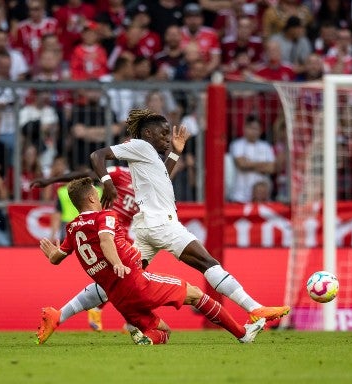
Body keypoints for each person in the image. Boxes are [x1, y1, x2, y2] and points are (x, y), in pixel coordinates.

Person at [90, 108, 290, 323]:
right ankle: (254, 308)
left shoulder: (148, 155)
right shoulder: (140, 146)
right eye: (163, 134)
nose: (167, 139)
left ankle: (61, 314)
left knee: (121, 277)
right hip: (161, 225)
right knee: (208, 263)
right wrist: (107, 183)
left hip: (147, 226)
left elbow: (163, 176)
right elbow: (97, 155)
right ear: (148, 133)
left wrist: (176, 152)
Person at [37, 177, 266, 345]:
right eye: (97, 195)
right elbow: (106, 240)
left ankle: (147, 339)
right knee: (196, 294)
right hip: (134, 281)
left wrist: (52, 256)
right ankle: (243, 334)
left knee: (162, 331)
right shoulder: (105, 216)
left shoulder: (72, 227)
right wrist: (116, 262)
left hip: (117, 297)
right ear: (91, 197)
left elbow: (58, 258)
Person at [31, 164, 137, 332]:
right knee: (128, 275)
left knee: (127, 277)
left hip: (127, 232)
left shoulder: (150, 182)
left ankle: (126, 319)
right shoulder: (120, 173)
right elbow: (86, 175)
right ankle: (132, 321)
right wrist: (52, 180)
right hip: (107, 229)